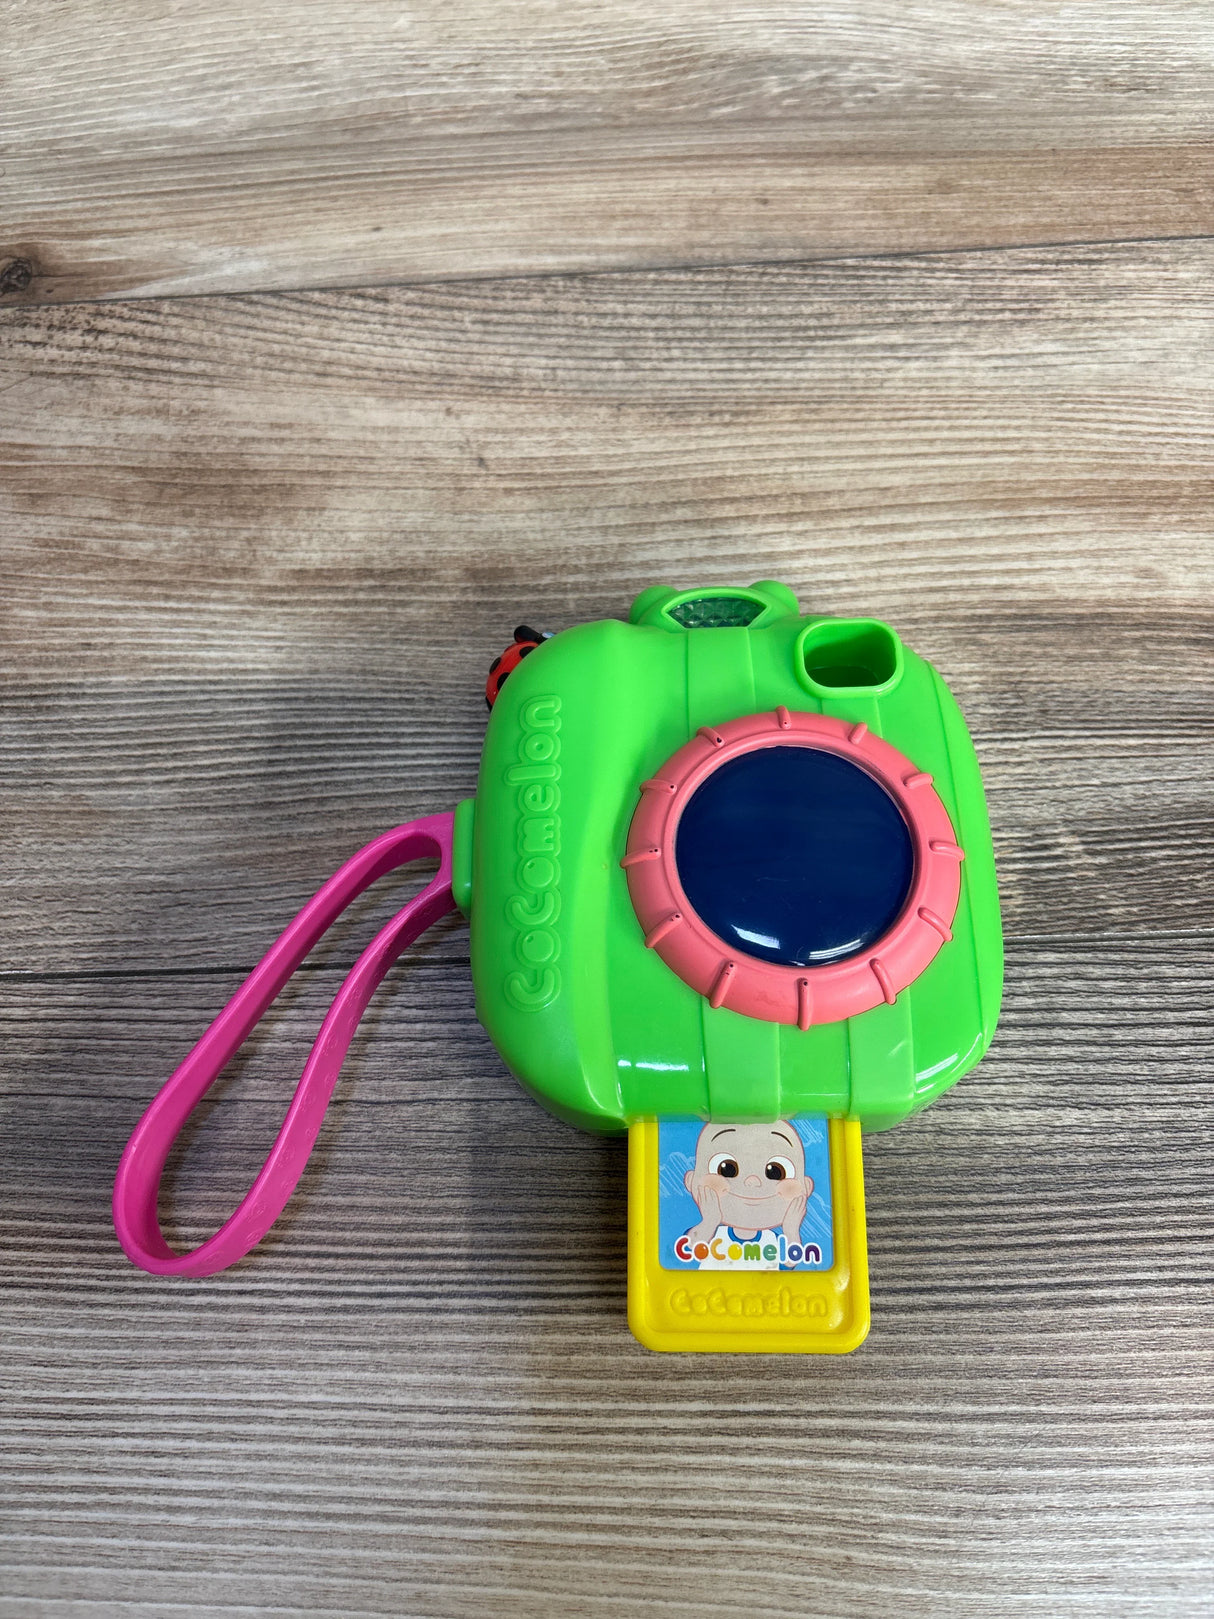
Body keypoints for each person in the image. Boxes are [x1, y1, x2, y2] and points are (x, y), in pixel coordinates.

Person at [681, 1121, 811, 1270]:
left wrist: (791, 1229)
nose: (752, 1181)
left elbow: (790, 1262)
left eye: (775, 1171)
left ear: (806, 1188)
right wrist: (710, 1220)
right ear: (691, 1181)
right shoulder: (708, 1233)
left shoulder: (774, 1240)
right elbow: (686, 1252)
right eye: (727, 1169)